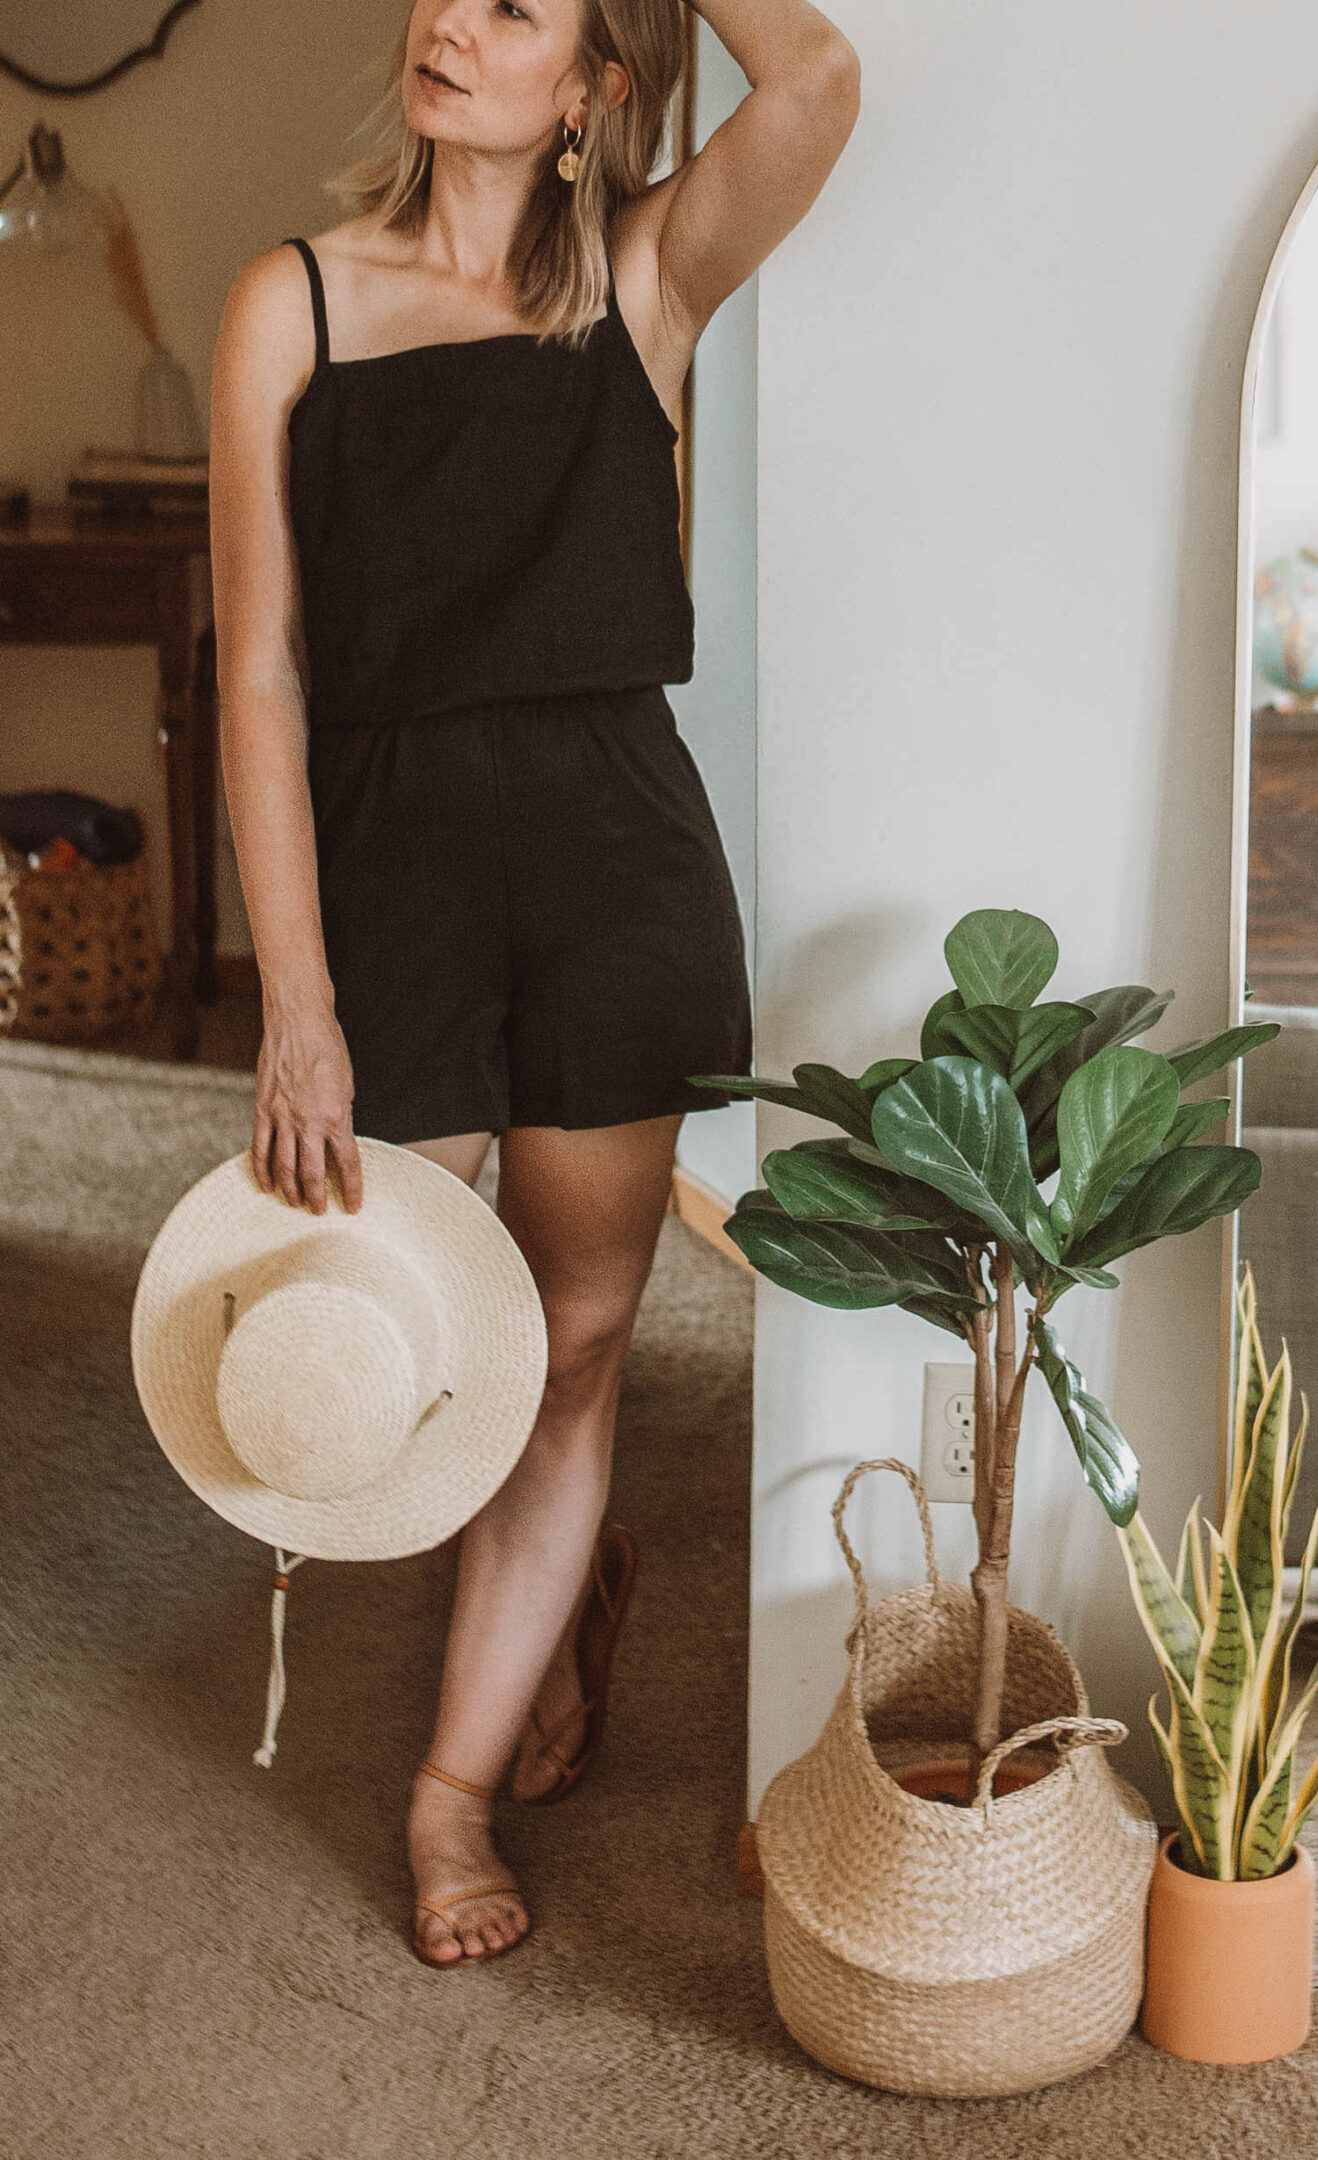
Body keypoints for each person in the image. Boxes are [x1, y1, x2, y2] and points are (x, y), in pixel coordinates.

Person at [207, 0, 860, 1970]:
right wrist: (296, 997)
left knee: (573, 1350)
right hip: (389, 862)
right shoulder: (291, 307)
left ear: (588, 84)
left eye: (510, 5)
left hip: (613, 865)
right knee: (404, 1349)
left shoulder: (649, 279)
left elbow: (817, 79)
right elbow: (261, 672)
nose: (443, 22)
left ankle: (446, 1791)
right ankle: (562, 1591)